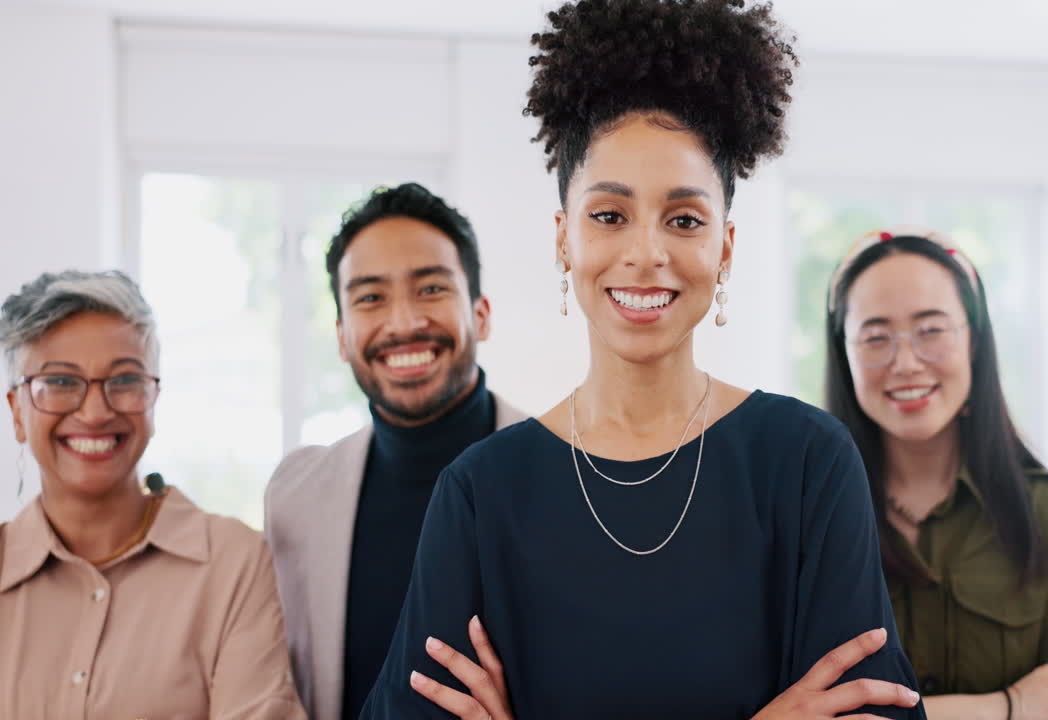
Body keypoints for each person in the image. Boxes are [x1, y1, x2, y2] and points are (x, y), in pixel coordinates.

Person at [359, 1, 925, 719]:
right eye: (609, 215)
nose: (647, 253)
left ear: (724, 247)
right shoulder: (480, 495)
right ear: (564, 239)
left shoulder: (806, 465)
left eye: (684, 219)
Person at [824, 227, 1048, 720]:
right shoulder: (806, 519)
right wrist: (1010, 707)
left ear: (975, 340)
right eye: (876, 337)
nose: (905, 362)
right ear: (844, 353)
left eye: (932, 330)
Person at [265, 183, 526, 720]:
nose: (403, 323)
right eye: (370, 297)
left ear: (481, 313)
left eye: (431, 289)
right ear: (341, 336)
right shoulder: (295, 496)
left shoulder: (568, 474)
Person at [0, 270, 305, 719]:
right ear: (18, 413)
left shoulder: (231, 563)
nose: (95, 411)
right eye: (61, 381)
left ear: (153, 398)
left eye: (124, 380)